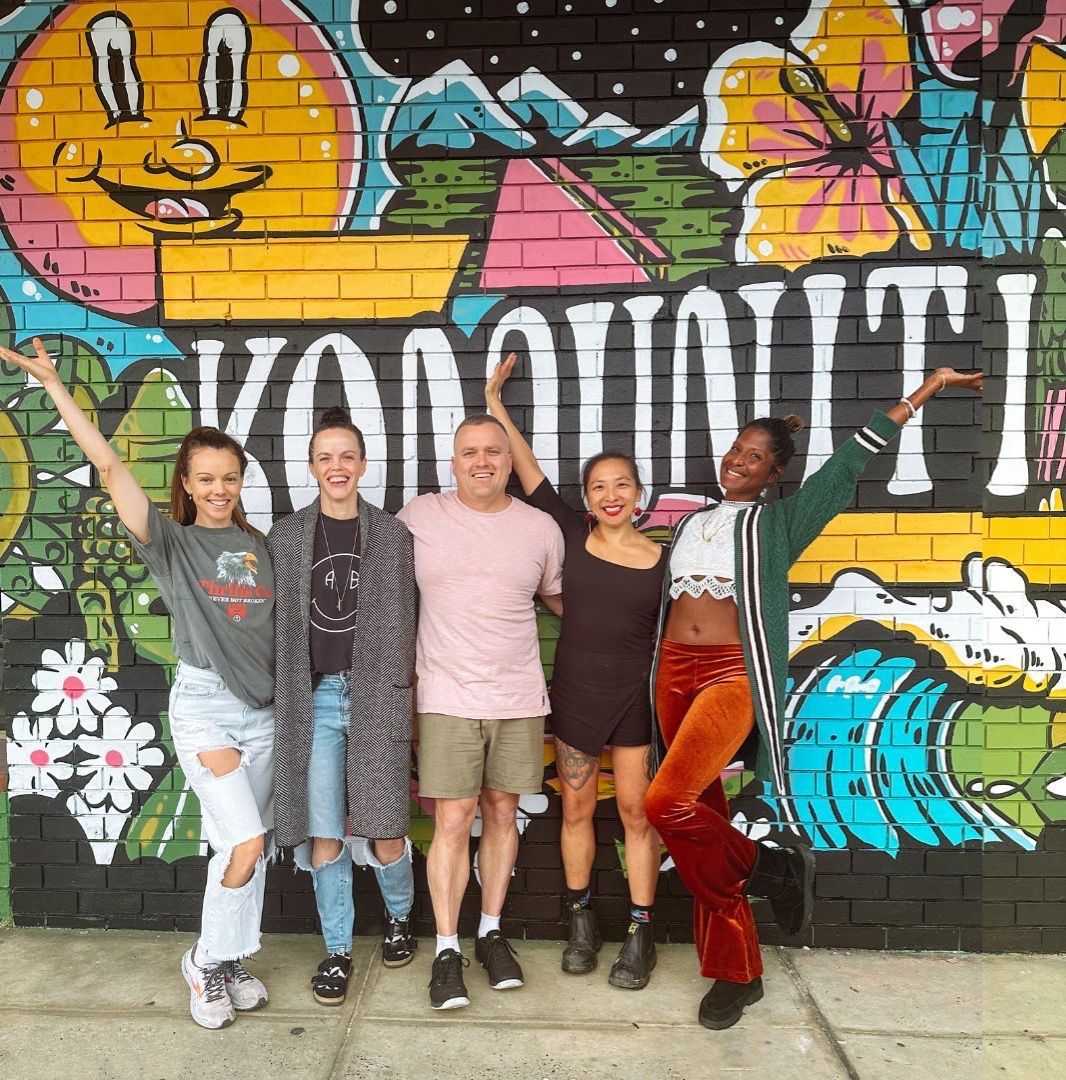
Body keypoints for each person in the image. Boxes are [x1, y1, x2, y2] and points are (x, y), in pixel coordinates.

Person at [643, 367, 982, 1030]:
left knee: (665, 803)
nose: (737, 461)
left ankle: (769, 866)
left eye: (755, 457)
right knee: (696, 832)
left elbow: (849, 463)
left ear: (774, 475)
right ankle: (737, 972)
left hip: (730, 675)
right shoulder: (691, 526)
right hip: (672, 676)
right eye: (736, 449)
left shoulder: (779, 524)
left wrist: (925, 390)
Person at [0, 338, 276, 1031]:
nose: (217, 489)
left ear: (242, 481)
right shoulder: (170, 543)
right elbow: (108, 462)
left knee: (248, 843)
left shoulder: (262, 547)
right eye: (204, 478)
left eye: (229, 478)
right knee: (244, 842)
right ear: (185, 483)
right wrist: (55, 386)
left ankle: (232, 956)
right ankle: (205, 962)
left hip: (264, 714)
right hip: (207, 708)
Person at [485, 353, 665, 989]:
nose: (610, 495)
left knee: (640, 817)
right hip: (577, 697)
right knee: (577, 812)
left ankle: (641, 933)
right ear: (586, 497)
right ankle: (581, 924)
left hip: (635, 703)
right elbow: (528, 473)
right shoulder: (568, 531)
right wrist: (495, 402)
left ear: (638, 493)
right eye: (598, 487)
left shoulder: (664, 561)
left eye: (621, 485)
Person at [397, 414, 564, 1010]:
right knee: (451, 819)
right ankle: (447, 949)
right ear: (454, 461)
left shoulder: (541, 528)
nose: (482, 462)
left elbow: (563, 600)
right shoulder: (419, 518)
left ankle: (490, 933)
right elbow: (380, 591)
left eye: (494, 451)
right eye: (470, 452)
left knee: (501, 812)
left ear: (508, 461)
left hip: (518, 697)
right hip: (444, 695)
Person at [268, 408, 418, 1006]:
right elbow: (273, 626)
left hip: (377, 692)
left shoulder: (392, 535)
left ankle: (401, 917)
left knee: (384, 829)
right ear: (312, 467)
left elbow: (408, 617)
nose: (337, 466)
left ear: (362, 464)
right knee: (325, 833)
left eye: (347, 456)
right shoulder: (286, 537)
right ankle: (337, 950)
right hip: (316, 699)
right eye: (325, 457)